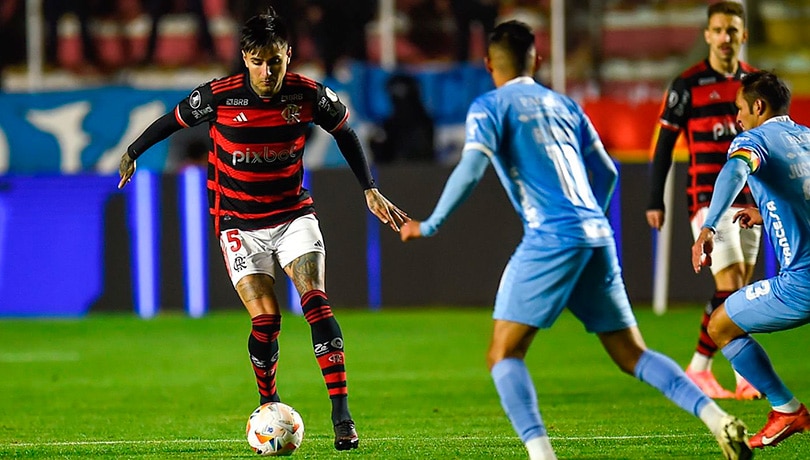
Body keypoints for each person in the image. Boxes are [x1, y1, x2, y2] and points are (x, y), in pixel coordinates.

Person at [400, 20, 751, 460]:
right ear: (537, 60)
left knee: (503, 354)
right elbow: (608, 172)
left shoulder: (489, 106)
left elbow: (471, 168)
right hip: (597, 235)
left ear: (489, 64)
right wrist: (589, 224)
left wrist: (428, 224)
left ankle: (542, 455)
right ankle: (717, 419)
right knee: (632, 354)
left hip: (551, 236)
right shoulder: (564, 104)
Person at [117, 8, 409, 451]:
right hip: (238, 223)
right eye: (258, 60)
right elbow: (170, 121)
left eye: (275, 60)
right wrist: (134, 151)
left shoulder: (307, 94)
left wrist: (369, 188)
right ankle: (268, 403)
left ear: (288, 55)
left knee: (315, 300)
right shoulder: (220, 96)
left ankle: (342, 416)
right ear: (245, 57)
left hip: (293, 214)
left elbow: (346, 131)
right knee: (267, 319)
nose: (267, 70)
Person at [646, 0, 761, 400]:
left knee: (739, 287)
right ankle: (745, 375)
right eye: (717, 30)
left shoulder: (756, 85)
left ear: (743, 35)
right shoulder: (687, 85)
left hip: (750, 200)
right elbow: (663, 146)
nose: (725, 38)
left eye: (732, 30)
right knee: (731, 287)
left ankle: (699, 367)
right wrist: (653, 199)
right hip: (708, 200)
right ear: (707, 35)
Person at [693, 70, 810, 449]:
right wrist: (767, 210)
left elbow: (735, 170)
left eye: (741, 109)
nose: (738, 117)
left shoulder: (753, 139)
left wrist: (709, 226)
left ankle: (786, 409)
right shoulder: (805, 137)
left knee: (721, 324)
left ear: (758, 107)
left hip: (802, 284)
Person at [369, 73, 436, 164]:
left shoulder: (424, 124)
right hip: (394, 173)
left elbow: (422, 157)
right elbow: (382, 160)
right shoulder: (388, 126)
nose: (400, 101)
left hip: (418, 172)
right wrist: (377, 145)